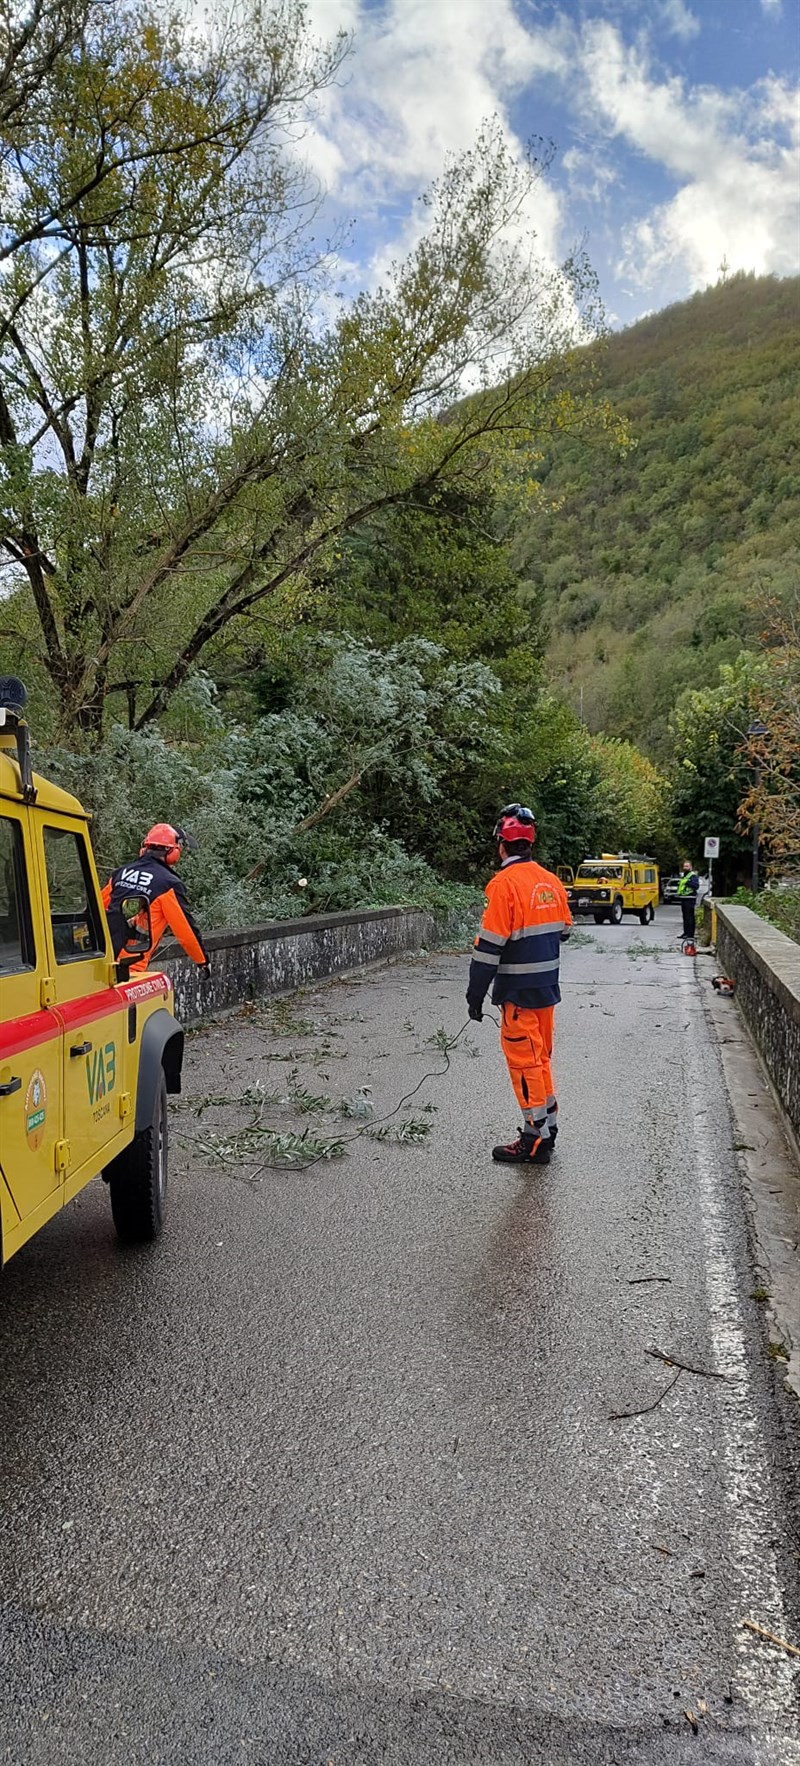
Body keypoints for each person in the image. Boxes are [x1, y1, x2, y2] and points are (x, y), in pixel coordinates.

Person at [466, 804, 572, 1166]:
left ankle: (533, 1139)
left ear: (501, 844)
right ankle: (548, 1129)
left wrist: (475, 995)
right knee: (540, 1061)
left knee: (525, 1065)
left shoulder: (504, 885)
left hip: (519, 995)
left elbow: (489, 948)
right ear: (529, 843)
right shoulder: (551, 881)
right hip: (546, 992)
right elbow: (565, 930)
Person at [102, 823, 210, 972]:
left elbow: (97, 908)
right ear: (173, 853)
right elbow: (185, 929)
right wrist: (202, 960)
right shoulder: (168, 884)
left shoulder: (121, 872)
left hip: (103, 958)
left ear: (144, 849)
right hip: (131, 963)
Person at [677, 858, 700, 943]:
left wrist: (687, 883)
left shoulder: (692, 876)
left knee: (690, 917)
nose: (685, 867)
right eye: (684, 866)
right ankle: (685, 933)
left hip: (690, 898)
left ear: (691, 867)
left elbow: (696, 886)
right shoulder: (685, 876)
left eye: (687, 866)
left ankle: (690, 934)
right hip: (684, 898)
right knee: (685, 917)